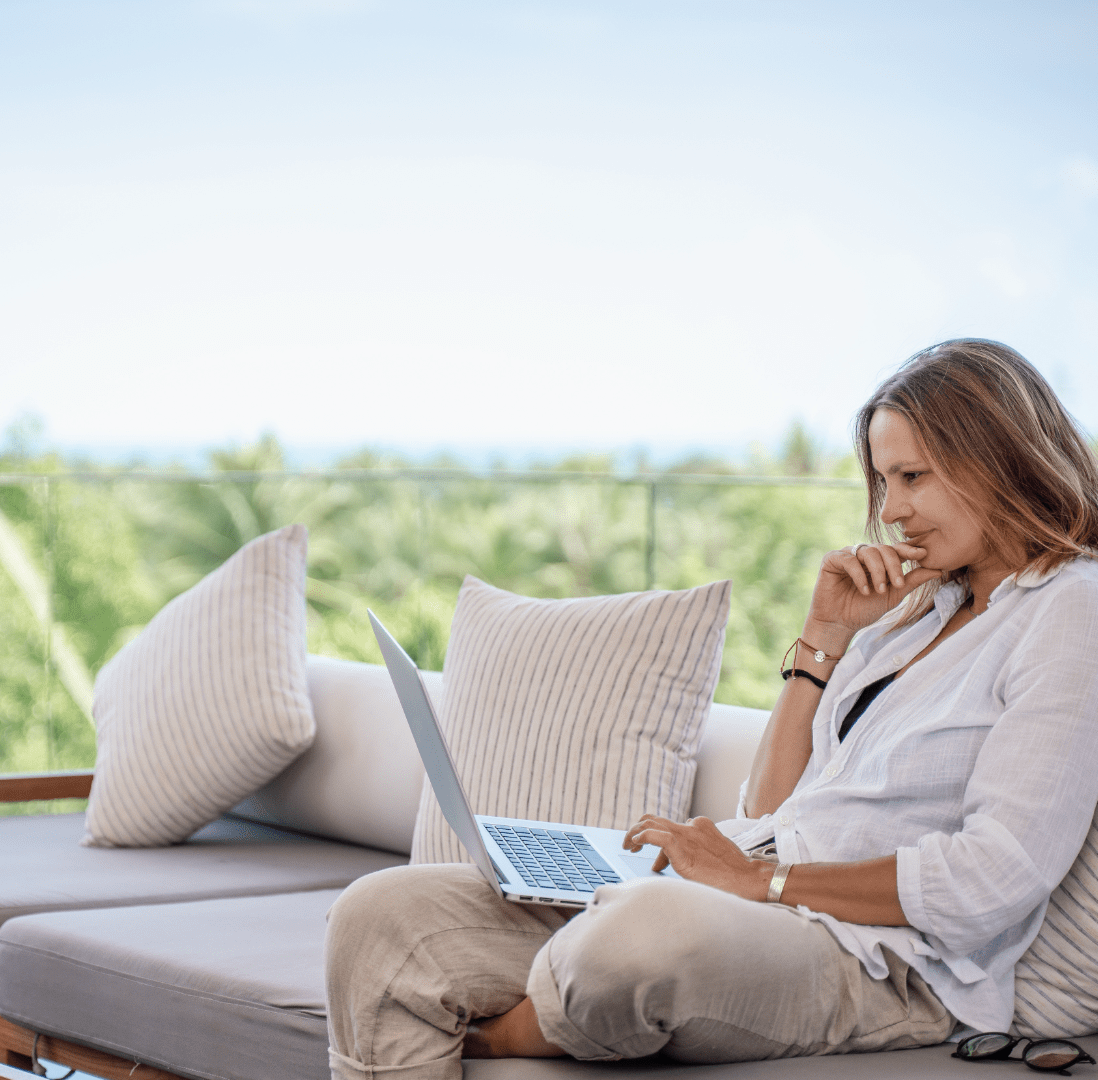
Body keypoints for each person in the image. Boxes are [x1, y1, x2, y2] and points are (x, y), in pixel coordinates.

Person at [325, 339, 1098, 1079]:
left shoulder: (1071, 609)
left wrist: (757, 883)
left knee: (639, 939)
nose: (891, 510)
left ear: (998, 459)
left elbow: (996, 876)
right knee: (379, 918)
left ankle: (500, 1038)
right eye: (883, 482)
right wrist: (822, 640)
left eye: (913, 477)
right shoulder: (915, 618)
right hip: (757, 902)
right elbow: (769, 808)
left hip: (885, 958)